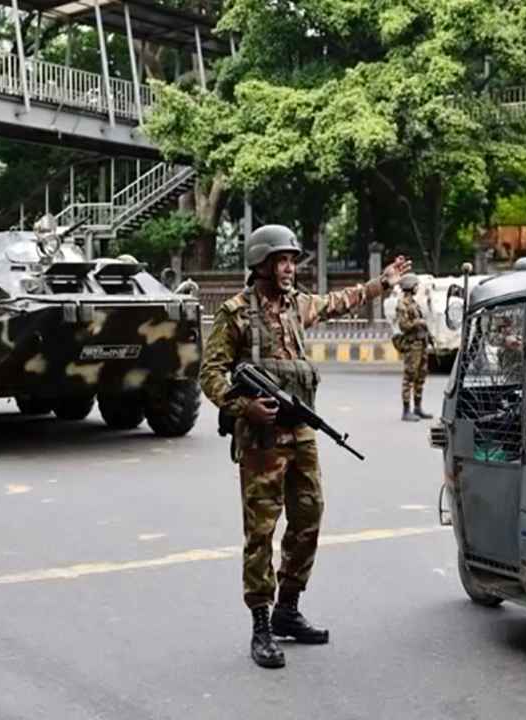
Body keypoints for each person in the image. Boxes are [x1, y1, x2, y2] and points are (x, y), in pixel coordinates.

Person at [199, 224, 411, 670]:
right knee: (261, 530)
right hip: (261, 439)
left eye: (292, 261)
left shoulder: (297, 305)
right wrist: (243, 406)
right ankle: (261, 624)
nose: (289, 268)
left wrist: (383, 282)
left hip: (300, 433)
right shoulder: (236, 314)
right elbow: (210, 374)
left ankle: (288, 609)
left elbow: (340, 301)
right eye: (282, 260)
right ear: (261, 264)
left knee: (308, 517)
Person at [395, 274, 431, 422]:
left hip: (421, 343)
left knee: (421, 376)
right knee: (409, 377)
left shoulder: (414, 303)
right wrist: (418, 322)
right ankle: (406, 411)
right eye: (416, 285)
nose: (417, 288)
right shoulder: (402, 304)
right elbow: (403, 326)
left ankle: (418, 407)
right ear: (410, 286)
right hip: (412, 345)